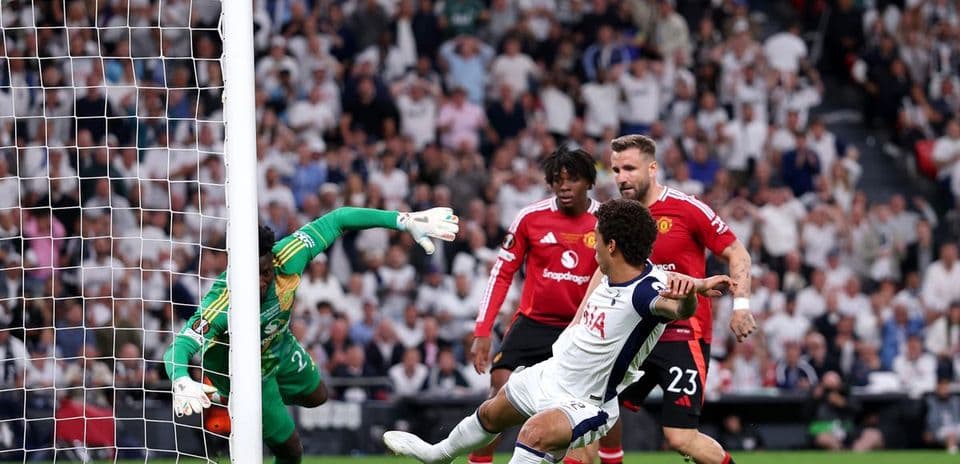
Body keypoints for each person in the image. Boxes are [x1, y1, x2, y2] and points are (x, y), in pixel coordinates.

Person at [383, 198, 735, 464]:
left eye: (597, 238)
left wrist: (690, 298)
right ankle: (437, 455)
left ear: (612, 245)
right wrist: (698, 283)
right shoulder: (624, 269)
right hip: (551, 375)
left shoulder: (645, 292)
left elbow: (676, 309)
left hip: (586, 402)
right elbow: (668, 279)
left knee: (533, 433)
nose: (592, 244)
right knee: (490, 413)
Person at [162, 206, 459, 464]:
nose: (262, 281)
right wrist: (180, 379)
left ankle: (245, 405)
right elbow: (180, 345)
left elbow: (339, 219)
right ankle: (238, 401)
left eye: (266, 272)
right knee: (292, 450)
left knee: (319, 396)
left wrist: (402, 220)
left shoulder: (289, 254)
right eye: (254, 274)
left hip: (278, 345)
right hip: (242, 371)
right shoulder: (221, 301)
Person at [573, 134, 757, 464]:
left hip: (682, 335)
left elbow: (737, 252)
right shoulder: (617, 217)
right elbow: (603, 270)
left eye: (630, 168)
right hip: (633, 334)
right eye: (616, 170)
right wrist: (579, 321)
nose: (621, 177)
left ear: (652, 168)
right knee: (587, 412)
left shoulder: (687, 208)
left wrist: (740, 306)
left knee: (680, 438)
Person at [468, 146, 599, 464]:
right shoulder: (530, 217)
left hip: (580, 329)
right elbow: (501, 273)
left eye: (572, 179)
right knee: (498, 392)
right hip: (533, 323)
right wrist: (483, 330)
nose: (564, 187)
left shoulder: (606, 220)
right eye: (557, 180)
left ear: (589, 182)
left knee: (579, 413)